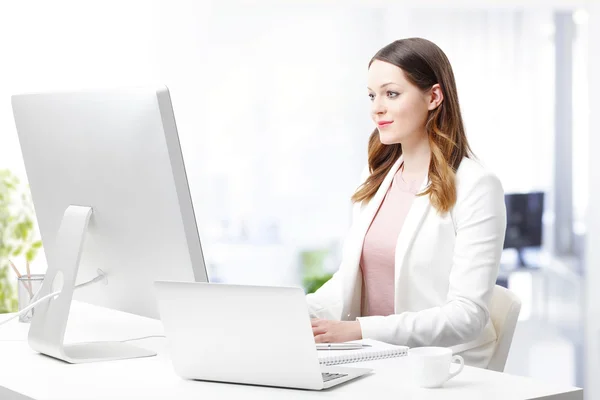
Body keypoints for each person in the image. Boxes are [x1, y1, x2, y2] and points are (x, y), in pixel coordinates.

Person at [306, 37, 507, 368]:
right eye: (372, 96)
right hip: (374, 359)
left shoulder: (476, 185)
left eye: (391, 93)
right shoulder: (375, 176)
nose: (377, 108)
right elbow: (348, 281)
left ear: (433, 96)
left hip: (440, 368)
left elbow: (466, 315)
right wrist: (297, 313)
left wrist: (358, 330)